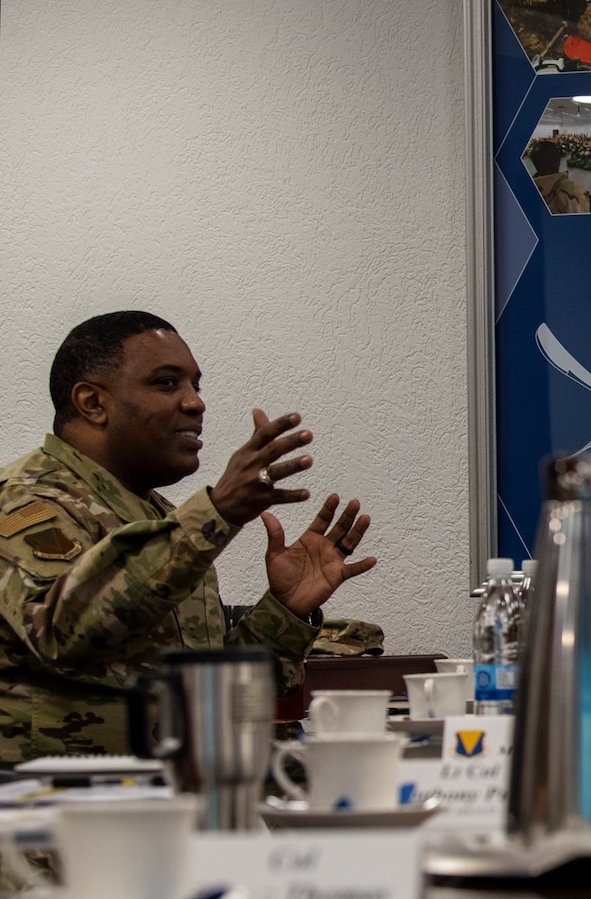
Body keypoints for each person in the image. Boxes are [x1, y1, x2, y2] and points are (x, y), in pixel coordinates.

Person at [0, 312, 376, 760]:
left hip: (173, 805)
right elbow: (64, 633)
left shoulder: (166, 520)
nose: (196, 403)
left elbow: (208, 697)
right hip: (61, 815)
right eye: (166, 383)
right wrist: (213, 514)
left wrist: (283, 614)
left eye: (197, 385)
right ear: (92, 403)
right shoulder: (26, 504)